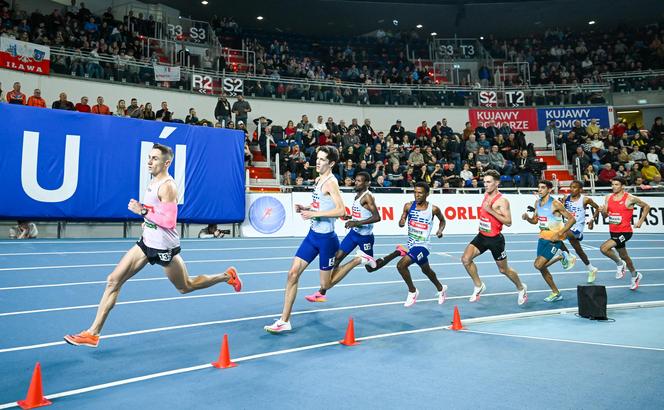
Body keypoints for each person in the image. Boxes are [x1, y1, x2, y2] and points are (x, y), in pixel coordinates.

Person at [64, 144, 242, 347]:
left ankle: (227, 276)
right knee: (113, 281)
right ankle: (92, 334)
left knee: (185, 287)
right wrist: (146, 219)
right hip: (146, 243)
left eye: (155, 158)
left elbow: (169, 221)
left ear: (167, 163)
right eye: (149, 157)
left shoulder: (167, 186)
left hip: (164, 247)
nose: (149, 161)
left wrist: (142, 212)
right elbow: (155, 213)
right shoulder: (153, 181)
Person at [265, 146, 346, 333]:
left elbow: (341, 211)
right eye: (317, 158)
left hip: (326, 239)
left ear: (331, 163)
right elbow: (319, 204)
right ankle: (284, 320)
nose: (317, 162)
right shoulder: (319, 179)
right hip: (312, 236)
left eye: (322, 159)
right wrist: (306, 207)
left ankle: (358, 259)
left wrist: (314, 213)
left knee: (325, 285)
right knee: (292, 274)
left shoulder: (331, 183)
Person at [365, 182, 448, 307]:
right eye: (415, 192)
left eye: (420, 193)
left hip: (423, 246)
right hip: (412, 245)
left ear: (427, 194)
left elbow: (442, 220)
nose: (417, 195)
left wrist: (440, 230)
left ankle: (412, 291)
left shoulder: (433, 209)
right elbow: (402, 219)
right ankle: (441, 289)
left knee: (401, 265)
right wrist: (402, 221)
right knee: (427, 271)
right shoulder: (408, 206)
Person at [304, 172, 380, 302]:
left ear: (367, 183)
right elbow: (361, 214)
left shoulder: (367, 197)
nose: (356, 183)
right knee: (336, 258)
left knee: (370, 268)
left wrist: (356, 222)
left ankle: (396, 253)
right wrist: (350, 218)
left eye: (359, 181)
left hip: (365, 238)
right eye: (355, 180)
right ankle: (322, 292)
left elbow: (377, 217)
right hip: (353, 234)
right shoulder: (357, 195)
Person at [461, 170, 528, 305]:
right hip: (482, 236)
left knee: (503, 270)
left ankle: (521, 288)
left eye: (489, 182)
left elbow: (508, 222)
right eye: (484, 182)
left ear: (497, 183)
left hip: (495, 240)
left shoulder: (502, 201)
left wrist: (491, 210)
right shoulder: (486, 194)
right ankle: (479, 285)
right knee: (465, 259)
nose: (485, 185)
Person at [521, 180, 576, 302]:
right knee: (541, 268)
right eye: (539, 187)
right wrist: (527, 219)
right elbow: (535, 221)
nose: (540, 190)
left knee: (538, 265)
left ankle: (561, 256)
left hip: (554, 239)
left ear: (549, 190)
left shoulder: (555, 204)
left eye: (543, 188)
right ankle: (556, 293)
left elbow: (572, 219)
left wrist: (560, 233)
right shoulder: (537, 203)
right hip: (542, 238)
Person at [598, 177, 651, 290]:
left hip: (625, 232)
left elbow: (647, 206)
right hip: (613, 231)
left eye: (616, 184)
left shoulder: (630, 198)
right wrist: (602, 211)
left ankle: (619, 264)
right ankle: (635, 275)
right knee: (625, 256)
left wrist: (640, 221)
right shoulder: (608, 197)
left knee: (604, 248)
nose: (613, 187)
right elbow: (605, 216)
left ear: (622, 186)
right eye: (612, 184)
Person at [544, 180, 601, 283]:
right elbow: (560, 209)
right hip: (567, 226)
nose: (572, 189)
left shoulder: (585, 200)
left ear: (580, 189)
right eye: (571, 187)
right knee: (578, 250)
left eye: (575, 187)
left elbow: (598, 208)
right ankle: (591, 268)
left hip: (577, 228)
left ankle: (568, 255)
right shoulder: (566, 198)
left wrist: (592, 220)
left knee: (558, 234)